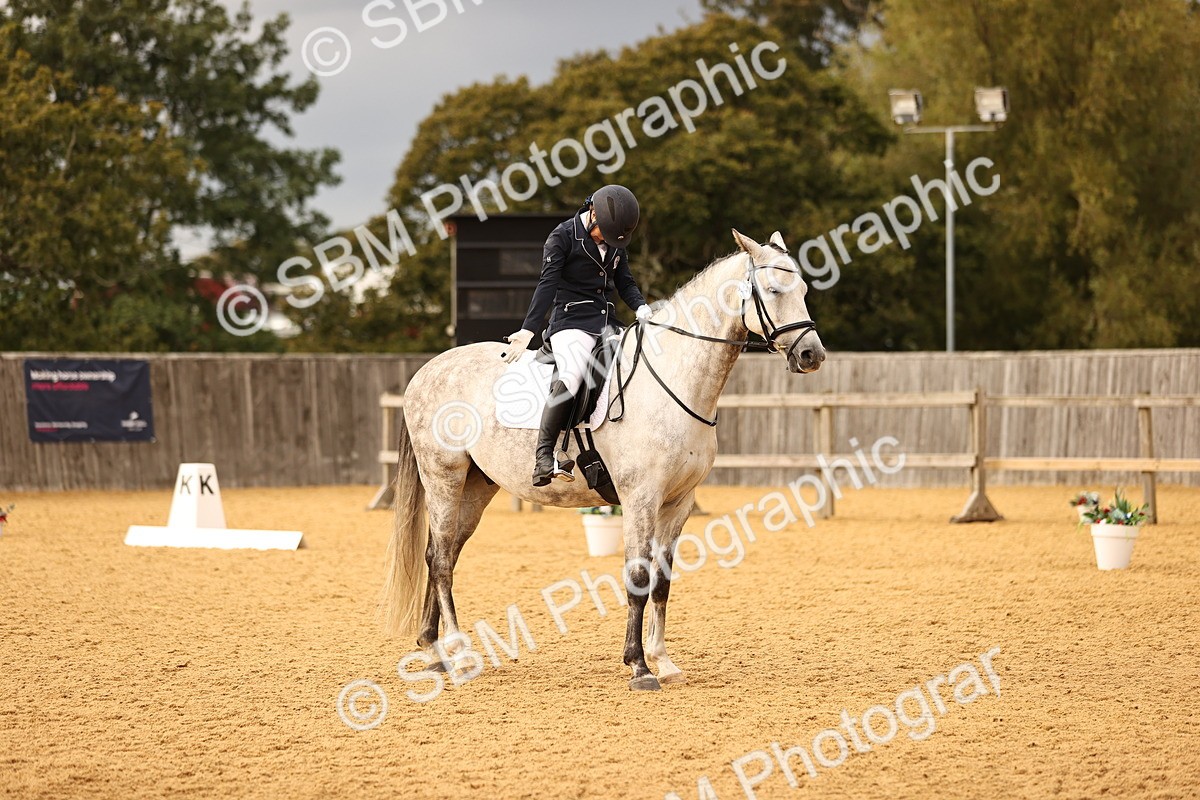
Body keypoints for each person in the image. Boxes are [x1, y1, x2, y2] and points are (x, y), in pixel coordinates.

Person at [500, 184, 653, 486]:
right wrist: (528, 330)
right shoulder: (562, 237)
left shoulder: (615, 239)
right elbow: (546, 285)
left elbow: (625, 282)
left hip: (608, 321)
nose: (606, 242)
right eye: (603, 235)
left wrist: (642, 307)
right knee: (571, 375)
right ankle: (544, 457)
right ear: (592, 212)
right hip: (571, 320)